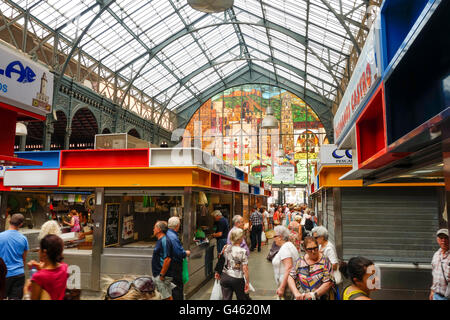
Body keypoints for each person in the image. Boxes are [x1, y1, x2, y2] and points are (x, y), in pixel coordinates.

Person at [23, 234, 68, 300]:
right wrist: (40, 269)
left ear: (44, 252)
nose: (38, 251)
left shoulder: (38, 277)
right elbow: (51, 277)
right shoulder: (64, 267)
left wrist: (26, 290)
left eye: (39, 249)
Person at [214, 228, 249, 300]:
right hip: (238, 278)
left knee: (226, 298)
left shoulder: (225, 247)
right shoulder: (243, 251)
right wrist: (247, 282)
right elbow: (245, 269)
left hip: (225, 276)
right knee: (241, 297)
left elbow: (221, 260)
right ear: (239, 238)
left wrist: (217, 272)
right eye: (242, 237)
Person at [0, 213, 29, 299]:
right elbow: (24, 259)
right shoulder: (24, 239)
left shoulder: (0, 236)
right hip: (18, 274)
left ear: (9, 221)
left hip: (3, 275)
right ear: (21, 224)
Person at [166, 216, 191, 300]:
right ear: (177, 226)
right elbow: (178, 253)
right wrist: (186, 253)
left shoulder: (167, 234)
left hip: (168, 266)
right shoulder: (173, 237)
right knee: (176, 289)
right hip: (174, 267)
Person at [272, 226, 299, 300]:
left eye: (275, 236)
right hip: (289, 283)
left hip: (287, 285)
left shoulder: (285, 248)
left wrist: (282, 287)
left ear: (280, 237)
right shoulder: (289, 245)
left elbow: (288, 268)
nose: (273, 239)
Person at [151, 220, 174, 300]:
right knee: (162, 296)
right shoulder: (160, 240)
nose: (153, 229)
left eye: (154, 227)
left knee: (166, 297)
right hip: (158, 274)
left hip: (162, 275)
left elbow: (167, 259)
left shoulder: (165, 240)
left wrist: (161, 275)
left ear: (159, 229)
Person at [430, 228, 449, 300]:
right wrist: (432, 291)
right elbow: (434, 274)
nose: (443, 240)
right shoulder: (436, 255)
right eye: (441, 238)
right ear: (437, 240)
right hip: (436, 295)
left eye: (446, 238)